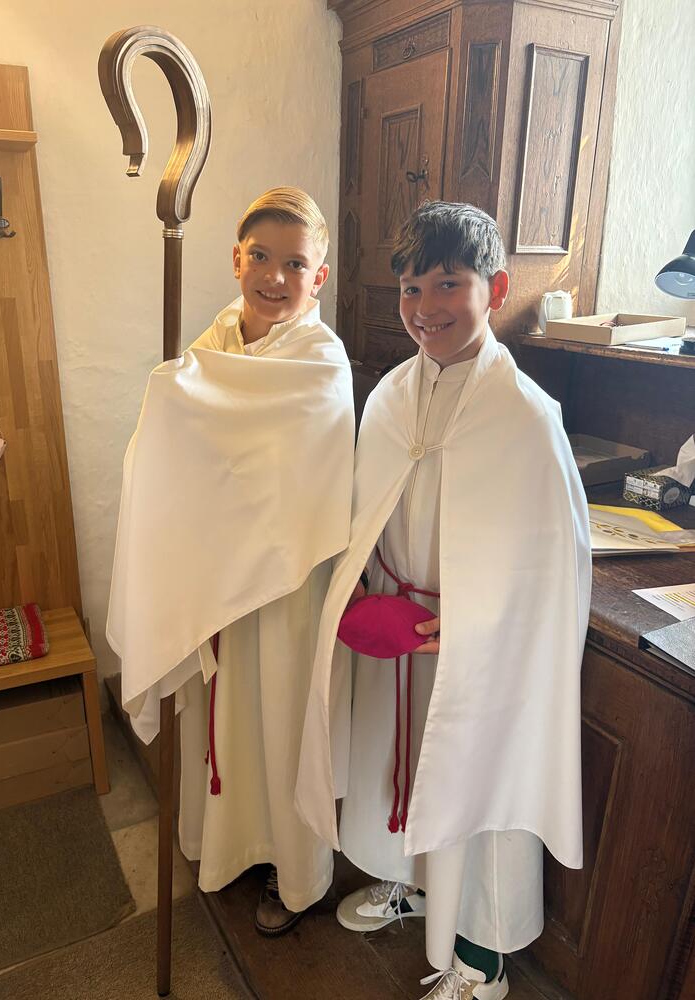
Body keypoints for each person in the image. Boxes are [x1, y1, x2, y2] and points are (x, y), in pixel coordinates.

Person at [296, 201, 591, 997]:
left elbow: (555, 560)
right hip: (400, 636)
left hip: (478, 650)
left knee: (479, 790)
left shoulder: (525, 416)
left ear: (496, 288)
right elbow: (367, 507)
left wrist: (473, 624)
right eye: (410, 288)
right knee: (399, 767)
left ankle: (482, 962)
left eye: (448, 284)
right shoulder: (392, 394)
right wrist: (363, 588)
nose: (426, 307)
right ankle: (415, 888)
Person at [107, 187, 355, 935]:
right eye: (261, 257)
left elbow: (301, 479)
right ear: (236, 259)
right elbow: (178, 459)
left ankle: (292, 870)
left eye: (295, 263)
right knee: (224, 722)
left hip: (284, 583)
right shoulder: (211, 344)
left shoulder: (321, 361)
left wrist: (189, 414)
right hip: (214, 577)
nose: (276, 277)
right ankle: (225, 847)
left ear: (320, 275)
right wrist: (169, 401)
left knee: (280, 723)